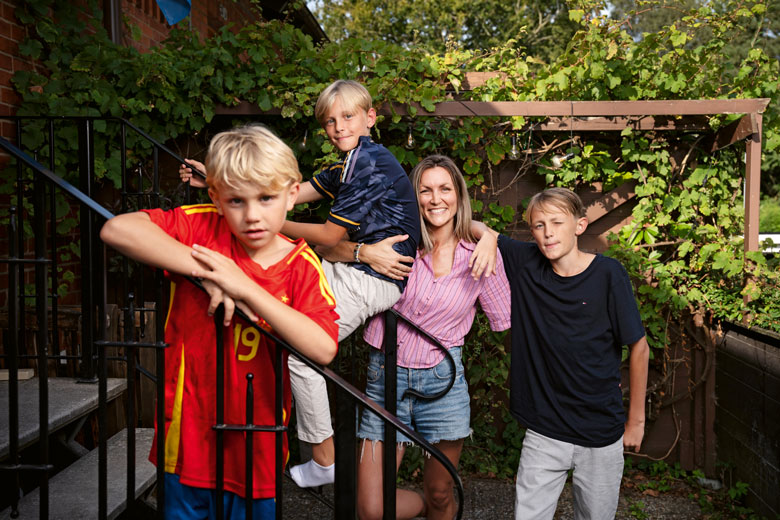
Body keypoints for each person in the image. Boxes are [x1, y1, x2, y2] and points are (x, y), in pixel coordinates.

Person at [179, 79, 421, 488]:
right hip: (354, 269)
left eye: (348, 116)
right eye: (329, 120)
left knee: (301, 353)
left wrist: (268, 222)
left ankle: (323, 458)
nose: (338, 126)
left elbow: (327, 236)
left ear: (370, 118)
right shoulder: (344, 166)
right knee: (274, 298)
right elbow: (287, 194)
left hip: (373, 279)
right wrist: (221, 183)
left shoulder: (369, 162)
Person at [101, 124, 339, 519]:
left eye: (266, 198)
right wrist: (211, 272)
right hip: (187, 435)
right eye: (236, 201)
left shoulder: (302, 267)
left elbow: (323, 348)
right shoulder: (201, 226)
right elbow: (117, 228)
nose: (252, 216)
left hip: (255, 446)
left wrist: (244, 287)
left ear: (292, 195)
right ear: (215, 197)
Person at [319, 155, 510, 520]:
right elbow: (327, 247)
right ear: (413, 195)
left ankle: (437, 508)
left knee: (440, 493)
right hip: (383, 377)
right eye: (424, 190)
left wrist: (490, 237)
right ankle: (423, 508)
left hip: (443, 382)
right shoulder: (394, 237)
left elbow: (506, 320)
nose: (435, 199)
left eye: (444, 189)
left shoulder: (481, 255)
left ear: (459, 196)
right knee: (372, 509)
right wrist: (364, 252)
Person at [472, 187, 649, 520]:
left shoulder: (609, 275)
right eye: (538, 225)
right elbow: (474, 225)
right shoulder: (527, 263)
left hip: (600, 433)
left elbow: (639, 346)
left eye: (557, 222)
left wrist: (636, 422)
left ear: (580, 225)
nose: (548, 232)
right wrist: (486, 238)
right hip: (544, 430)